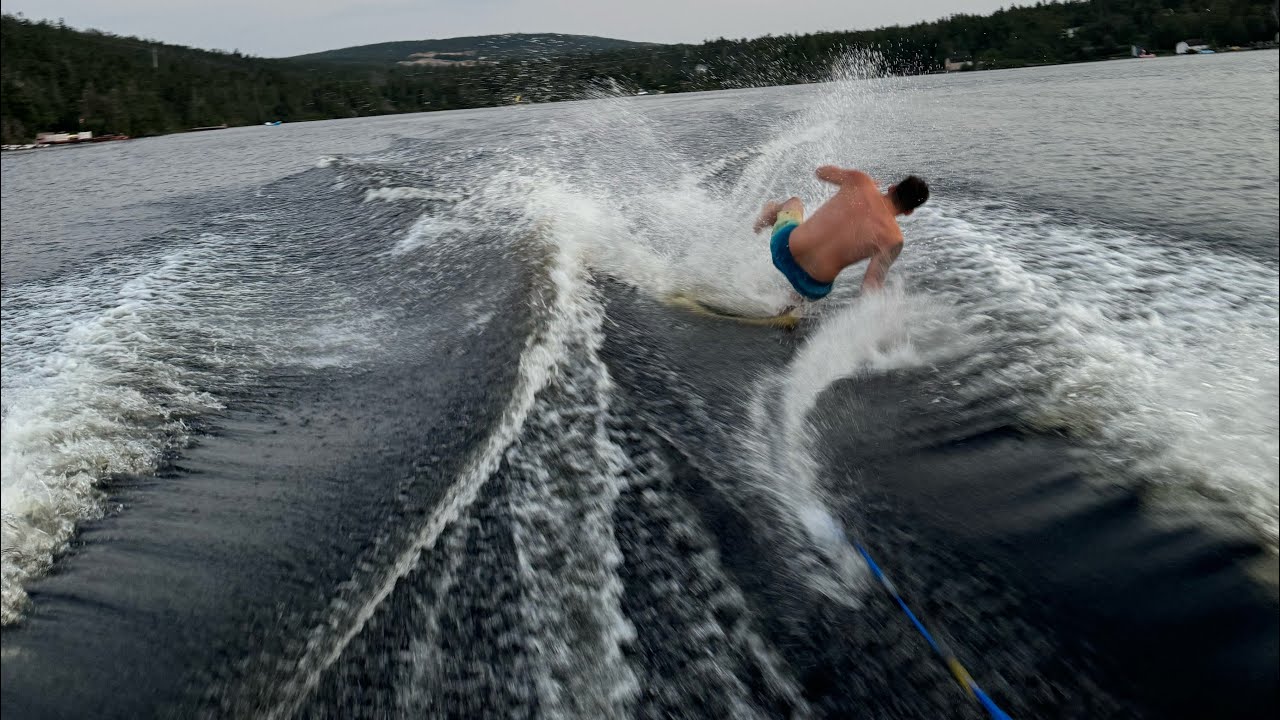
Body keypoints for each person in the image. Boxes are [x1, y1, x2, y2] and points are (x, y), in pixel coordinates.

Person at [753, 166, 929, 302]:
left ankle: (764, 219)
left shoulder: (861, 181)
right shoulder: (893, 239)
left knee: (794, 202)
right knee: (811, 291)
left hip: (784, 250)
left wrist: (858, 181)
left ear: (892, 188)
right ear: (909, 212)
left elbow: (821, 172)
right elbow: (871, 284)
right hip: (812, 286)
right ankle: (791, 306)